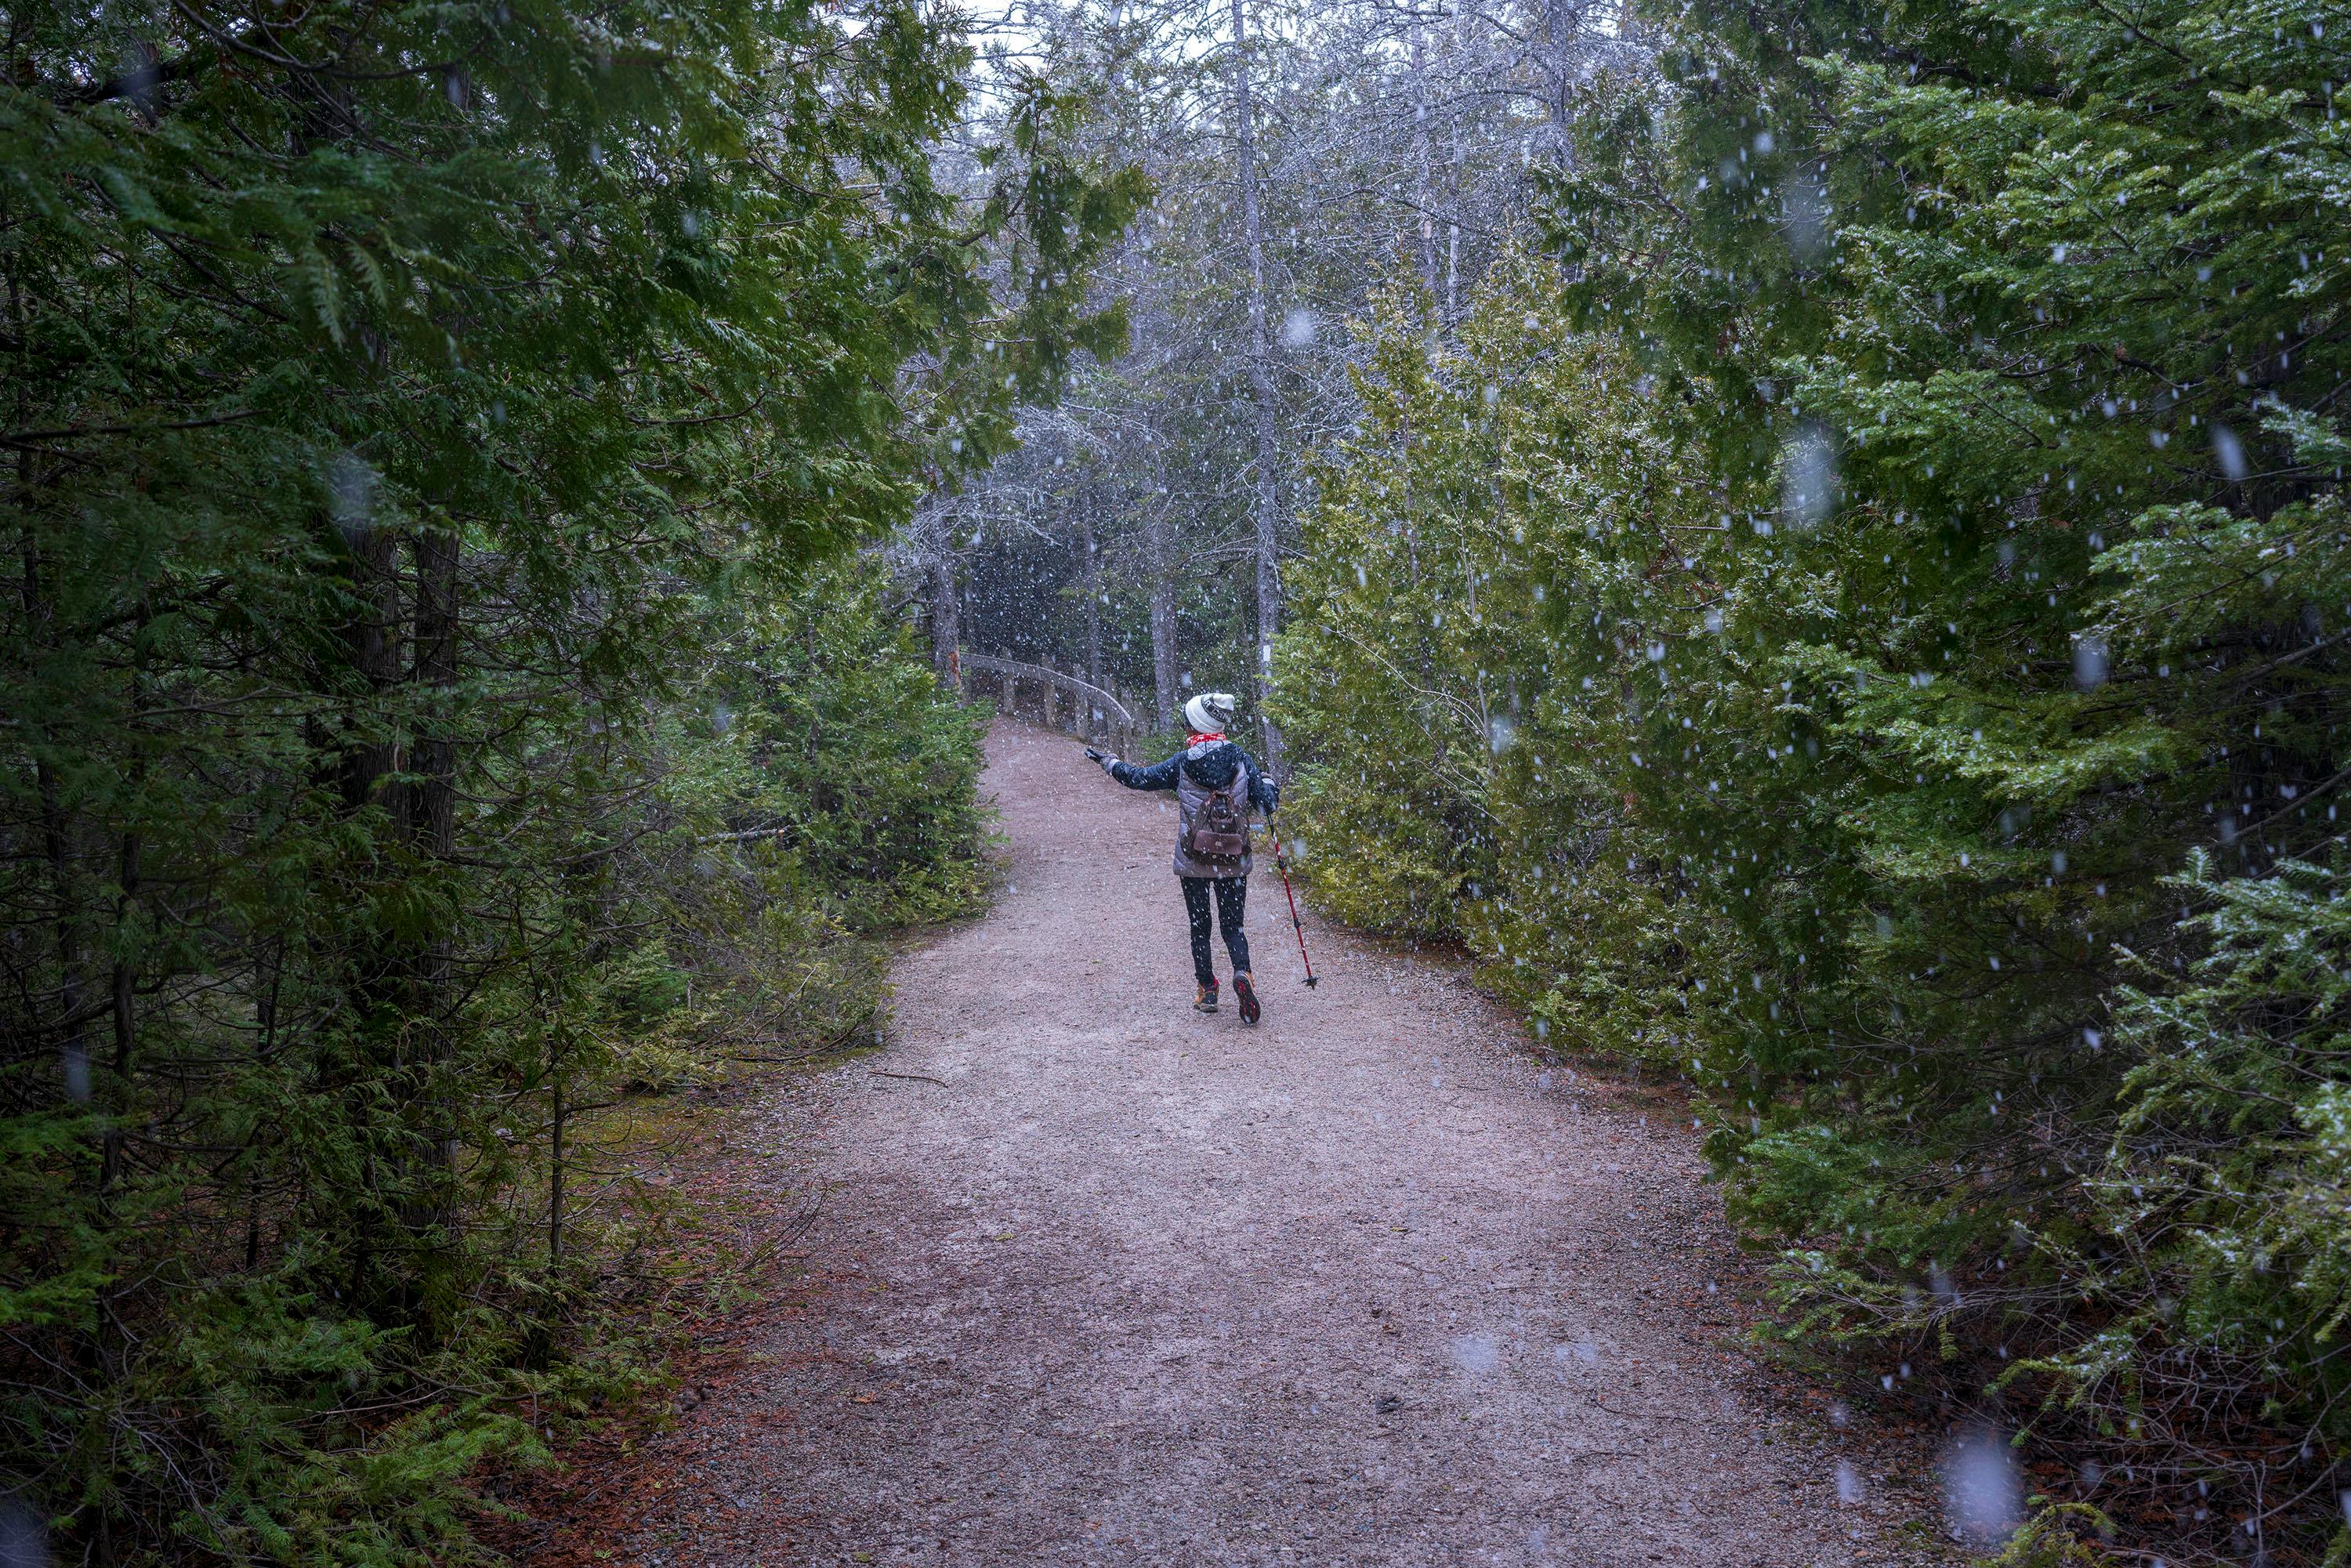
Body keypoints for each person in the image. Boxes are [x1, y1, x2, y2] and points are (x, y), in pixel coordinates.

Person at [1085, 692, 1280, 1023]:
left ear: (1196, 725)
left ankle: (1208, 990)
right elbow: (1268, 804)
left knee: (1199, 926)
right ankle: (1242, 972)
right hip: (1232, 857)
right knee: (1233, 926)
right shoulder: (1241, 759)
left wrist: (1110, 763)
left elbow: (1139, 779)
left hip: (1194, 857)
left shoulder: (1183, 762)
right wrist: (1266, 780)